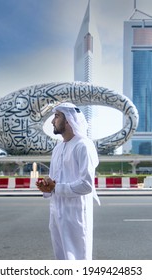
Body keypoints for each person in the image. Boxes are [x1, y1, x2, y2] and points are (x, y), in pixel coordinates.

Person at [36, 102, 100, 260]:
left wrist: (56, 188)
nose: (52, 121)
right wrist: (47, 187)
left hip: (75, 213)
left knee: (78, 259)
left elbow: (86, 185)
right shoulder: (57, 149)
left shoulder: (83, 145)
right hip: (56, 212)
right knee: (61, 259)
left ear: (68, 120)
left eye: (56, 116)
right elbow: (53, 181)